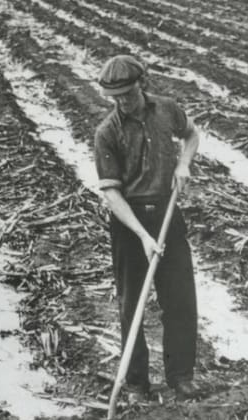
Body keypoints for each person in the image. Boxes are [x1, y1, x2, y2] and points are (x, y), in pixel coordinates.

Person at [93, 54, 200, 401]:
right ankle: (137, 383)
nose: (123, 101)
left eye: (127, 92)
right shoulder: (107, 132)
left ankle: (181, 376)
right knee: (132, 305)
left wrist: (183, 164)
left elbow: (192, 134)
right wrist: (142, 235)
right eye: (116, 96)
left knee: (180, 299)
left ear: (142, 83)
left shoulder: (167, 109)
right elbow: (111, 193)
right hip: (129, 222)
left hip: (167, 213)